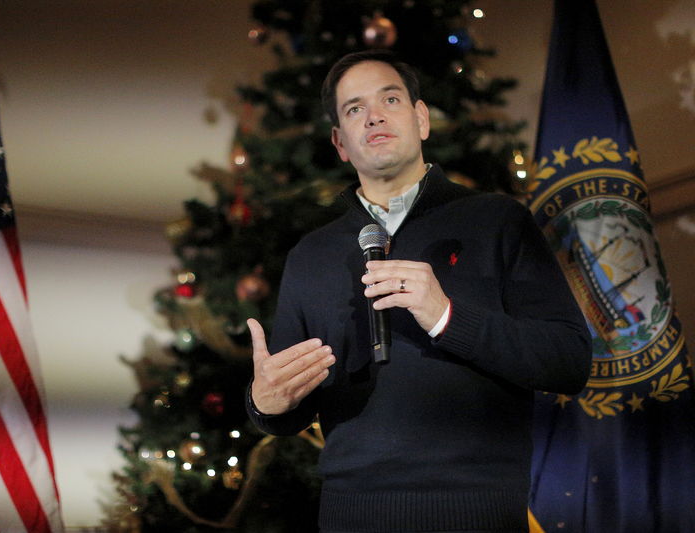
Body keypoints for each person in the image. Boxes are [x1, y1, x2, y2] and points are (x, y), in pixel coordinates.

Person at [245, 49, 592, 533]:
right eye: (354, 109)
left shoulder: (498, 220)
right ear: (340, 143)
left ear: (421, 118)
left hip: (479, 513)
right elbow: (290, 406)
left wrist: (447, 316)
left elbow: (569, 361)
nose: (374, 116)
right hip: (351, 516)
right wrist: (265, 403)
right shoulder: (311, 255)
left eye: (390, 98)